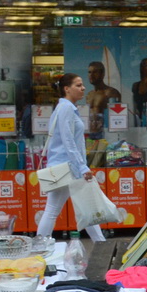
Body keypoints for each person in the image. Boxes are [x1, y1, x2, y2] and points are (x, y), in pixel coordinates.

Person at [35, 73, 105, 241]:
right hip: (68, 167)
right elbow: (68, 140)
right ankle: (101, 245)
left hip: (67, 167)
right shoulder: (66, 108)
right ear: (66, 89)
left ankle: (101, 244)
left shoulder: (66, 108)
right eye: (78, 85)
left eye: (82, 85)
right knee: (58, 209)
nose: (83, 88)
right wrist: (82, 166)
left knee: (59, 209)